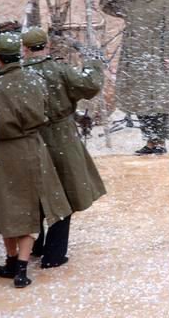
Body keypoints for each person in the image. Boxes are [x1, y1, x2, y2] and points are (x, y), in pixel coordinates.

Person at [0, 33, 71, 288]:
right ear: (19, 53)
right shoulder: (34, 81)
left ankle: (12, 261)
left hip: (4, 153)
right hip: (34, 148)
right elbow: (47, 111)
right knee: (30, 208)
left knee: (9, 210)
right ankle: (22, 270)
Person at [21, 28, 107, 268]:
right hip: (61, 139)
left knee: (35, 192)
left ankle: (35, 247)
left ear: (25, 49)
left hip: (30, 139)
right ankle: (55, 254)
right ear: (46, 46)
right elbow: (89, 85)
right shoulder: (59, 70)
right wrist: (92, 62)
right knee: (64, 194)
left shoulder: (18, 75)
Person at [99, 0, 169, 155]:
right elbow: (106, 6)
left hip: (156, 58)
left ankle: (159, 141)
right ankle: (149, 142)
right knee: (139, 101)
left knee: (157, 101)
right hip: (133, 59)